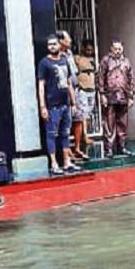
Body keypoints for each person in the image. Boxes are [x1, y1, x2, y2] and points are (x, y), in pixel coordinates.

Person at [38, 34, 79, 175]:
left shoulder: (64, 60)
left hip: (65, 105)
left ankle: (67, 161)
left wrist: (73, 103)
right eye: (49, 45)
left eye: (54, 44)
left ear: (59, 45)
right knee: (51, 135)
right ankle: (54, 163)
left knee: (65, 134)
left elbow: (69, 83)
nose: (52, 47)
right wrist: (43, 107)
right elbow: (41, 85)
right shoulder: (44, 63)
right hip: (52, 106)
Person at [97, 40, 135, 156]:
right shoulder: (105, 60)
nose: (118, 51)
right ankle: (109, 149)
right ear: (111, 49)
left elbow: (131, 79)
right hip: (110, 96)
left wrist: (131, 96)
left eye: (119, 49)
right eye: (115, 48)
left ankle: (122, 147)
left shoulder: (126, 62)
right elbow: (100, 78)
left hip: (123, 96)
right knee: (109, 123)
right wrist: (102, 94)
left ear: (122, 49)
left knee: (123, 123)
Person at [58, 31, 87, 161]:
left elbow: (74, 71)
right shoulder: (57, 55)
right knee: (66, 122)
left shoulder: (69, 53)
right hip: (64, 91)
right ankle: (67, 151)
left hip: (75, 88)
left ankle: (77, 147)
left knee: (78, 118)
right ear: (61, 41)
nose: (70, 40)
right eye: (68, 38)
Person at [73, 39, 97, 159]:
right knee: (81, 114)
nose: (89, 51)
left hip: (91, 89)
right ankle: (84, 136)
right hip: (82, 90)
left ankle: (85, 135)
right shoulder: (77, 58)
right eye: (87, 49)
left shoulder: (93, 60)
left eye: (91, 49)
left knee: (88, 114)